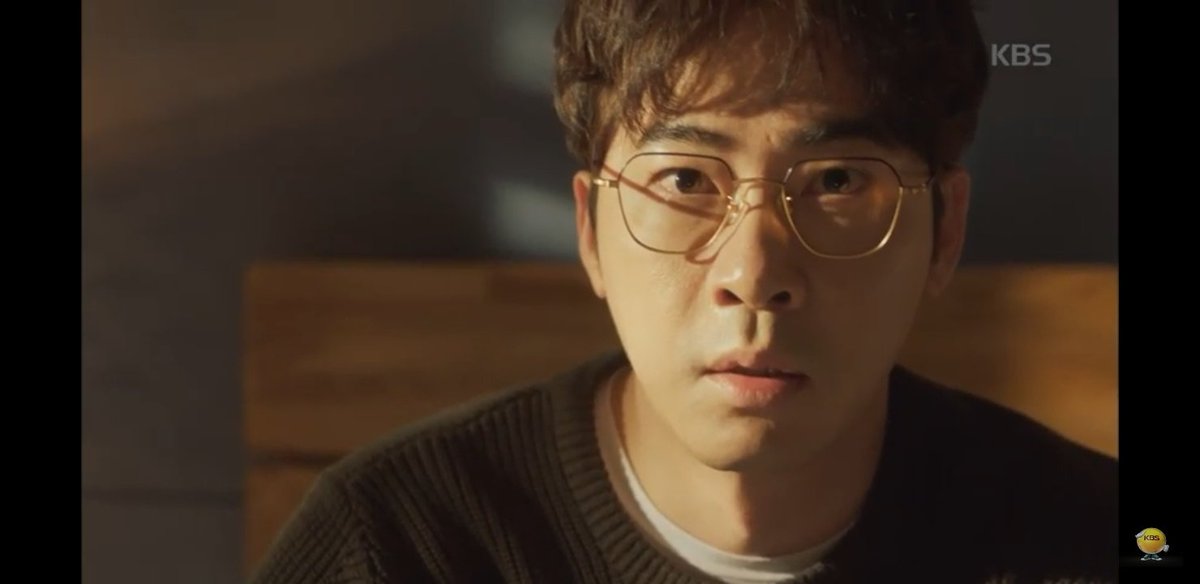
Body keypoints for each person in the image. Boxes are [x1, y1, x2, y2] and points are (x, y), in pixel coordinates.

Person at [249, 1, 1117, 582]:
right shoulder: (401, 543)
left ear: (946, 232)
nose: (755, 275)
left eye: (838, 181)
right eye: (686, 181)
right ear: (591, 231)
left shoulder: (1098, 537)